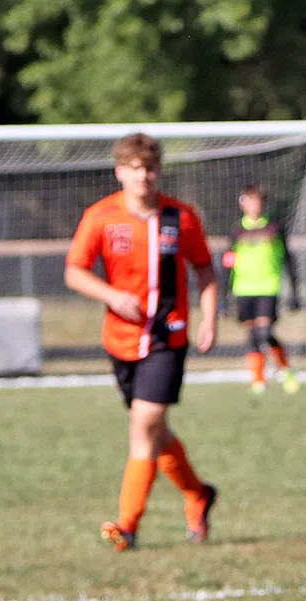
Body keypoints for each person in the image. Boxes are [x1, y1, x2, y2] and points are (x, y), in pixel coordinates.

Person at [63, 133, 220, 551]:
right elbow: (75, 271)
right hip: (121, 340)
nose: (142, 176)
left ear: (159, 172)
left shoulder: (181, 217)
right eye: (133, 168)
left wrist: (210, 319)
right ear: (119, 172)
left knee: (144, 424)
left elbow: (205, 271)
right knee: (156, 430)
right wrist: (112, 295)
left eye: (149, 168)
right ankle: (198, 494)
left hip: (167, 337)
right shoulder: (101, 217)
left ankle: (126, 525)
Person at [224, 185, 300, 394]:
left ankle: (285, 370)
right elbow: (228, 262)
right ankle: (258, 379)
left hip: (268, 286)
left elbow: (288, 259)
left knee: (264, 332)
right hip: (243, 288)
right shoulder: (237, 230)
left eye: (257, 201)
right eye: (249, 201)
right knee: (252, 335)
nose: (254, 205)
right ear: (243, 204)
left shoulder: (274, 228)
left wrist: (294, 291)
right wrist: (224, 294)